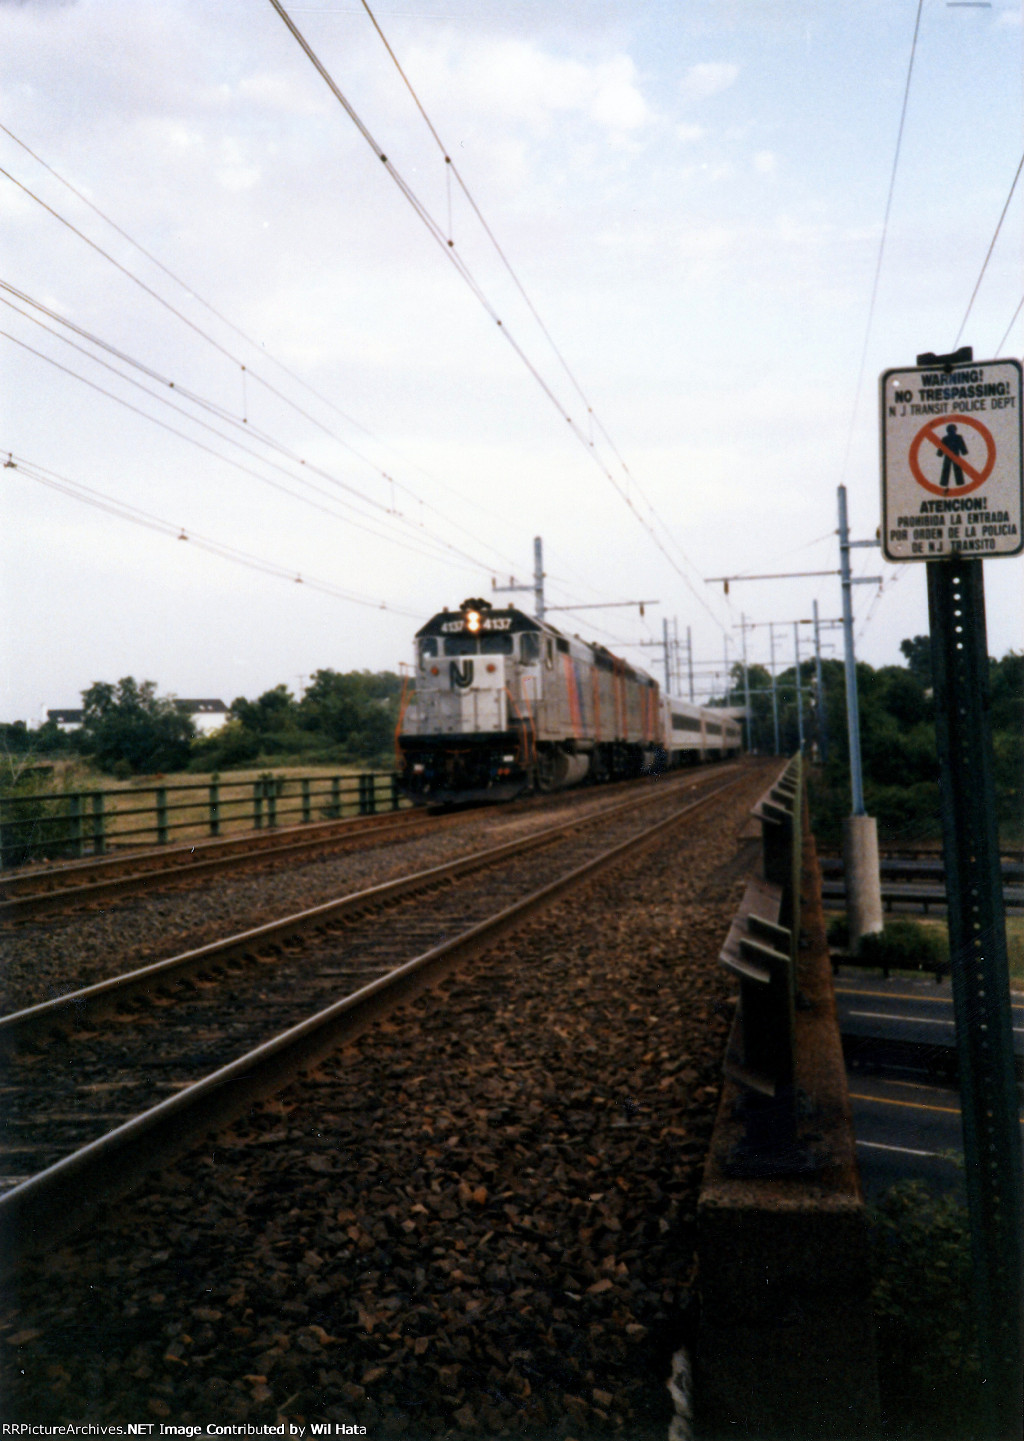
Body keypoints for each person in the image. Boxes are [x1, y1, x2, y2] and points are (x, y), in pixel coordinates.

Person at [937, 423, 968, 488]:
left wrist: (940, 453)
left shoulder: (946, 438)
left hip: (950, 455)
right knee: (955, 469)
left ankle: (944, 483)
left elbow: (941, 448)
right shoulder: (957, 437)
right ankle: (959, 482)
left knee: (948, 469)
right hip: (954, 455)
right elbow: (962, 446)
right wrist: (964, 452)